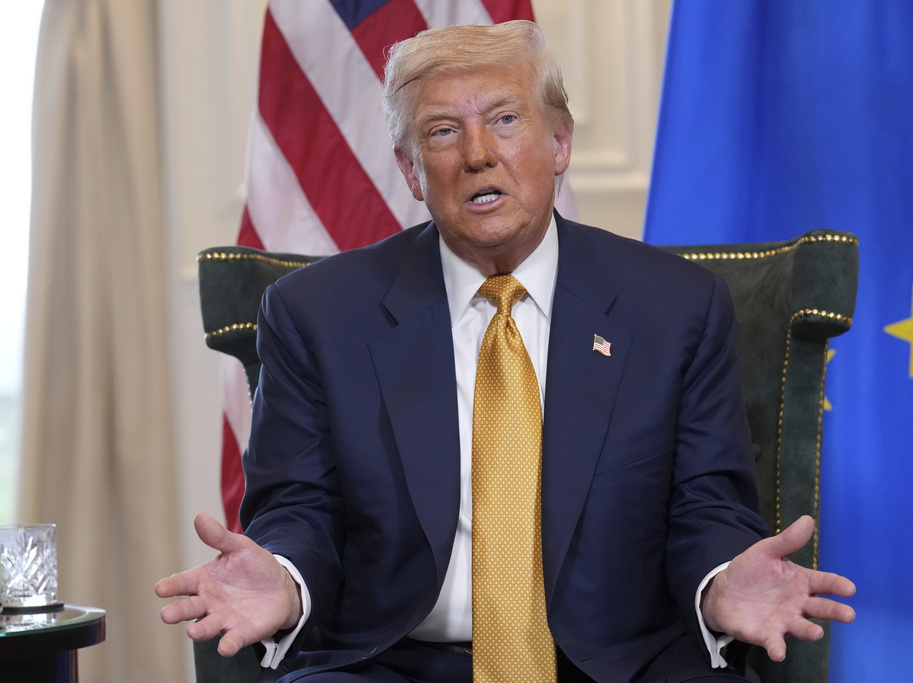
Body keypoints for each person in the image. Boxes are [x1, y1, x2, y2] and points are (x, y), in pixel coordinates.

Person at [157, 21, 855, 682]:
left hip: (621, 662)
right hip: (391, 660)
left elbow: (707, 505)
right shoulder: (318, 313)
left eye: (505, 119)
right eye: (442, 131)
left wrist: (719, 579)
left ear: (559, 144)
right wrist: (284, 575)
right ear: (409, 169)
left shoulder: (675, 308)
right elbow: (298, 507)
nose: (478, 153)